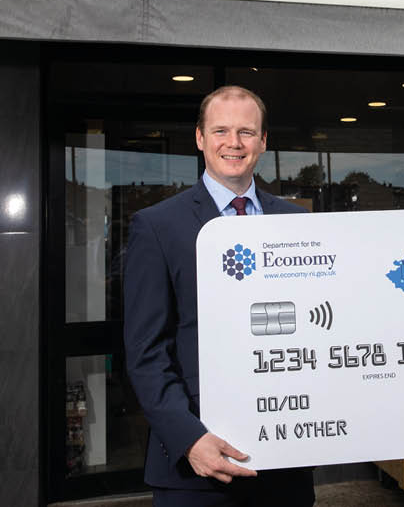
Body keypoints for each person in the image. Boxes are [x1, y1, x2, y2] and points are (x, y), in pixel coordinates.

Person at [124, 85, 314, 506]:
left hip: (286, 466)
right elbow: (145, 352)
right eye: (221, 131)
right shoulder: (157, 227)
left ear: (263, 141)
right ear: (200, 138)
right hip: (196, 470)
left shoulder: (297, 222)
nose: (234, 143)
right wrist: (189, 439)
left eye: (246, 132)